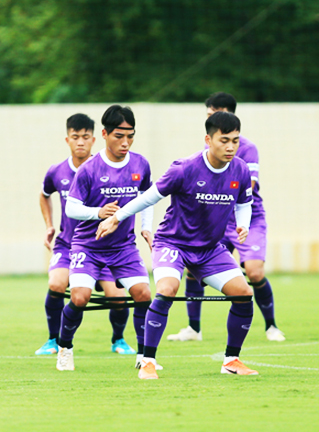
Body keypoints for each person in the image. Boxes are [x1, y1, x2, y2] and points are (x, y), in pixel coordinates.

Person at [97, 111, 258, 379]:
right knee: (167, 289)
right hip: (174, 243)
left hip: (209, 249)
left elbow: (244, 202)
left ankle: (231, 360)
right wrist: (116, 217)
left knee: (243, 294)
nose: (230, 147)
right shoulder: (184, 168)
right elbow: (149, 197)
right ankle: (147, 361)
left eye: (235, 141)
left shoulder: (240, 168)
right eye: (224, 140)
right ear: (208, 139)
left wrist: (244, 223)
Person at [167, 92, 284, 342]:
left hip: (246, 217)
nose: (212, 119)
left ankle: (271, 326)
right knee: (193, 268)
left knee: (253, 272)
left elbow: (248, 185)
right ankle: (194, 329)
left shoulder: (246, 148)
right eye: (208, 116)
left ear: (231, 115)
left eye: (215, 114)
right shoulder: (209, 148)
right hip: (216, 217)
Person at [57, 105, 154, 371]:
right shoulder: (89, 169)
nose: (125, 142)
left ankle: (144, 356)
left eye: (130, 136)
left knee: (144, 294)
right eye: (118, 136)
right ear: (104, 134)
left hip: (123, 247)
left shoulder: (140, 164)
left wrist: (146, 227)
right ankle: (64, 347)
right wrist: (98, 212)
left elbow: (148, 198)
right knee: (79, 297)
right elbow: (71, 208)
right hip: (87, 246)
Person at [36, 113, 135, 356]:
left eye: (85, 137)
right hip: (68, 246)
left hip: (106, 248)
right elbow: (43, 194)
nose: (80, 142)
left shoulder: (105, 169)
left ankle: (118, 340)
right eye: (75, 137)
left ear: (94, 139)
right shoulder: (56, 171)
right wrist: (49, 225)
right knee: (56, 283)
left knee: (119, 299)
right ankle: (52, 339)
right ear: (67, 140)